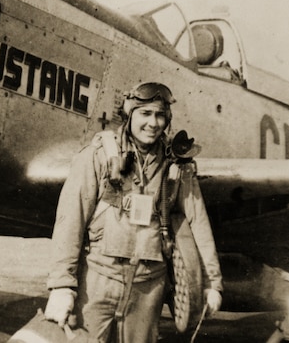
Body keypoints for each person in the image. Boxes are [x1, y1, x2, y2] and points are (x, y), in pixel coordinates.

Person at [44, 82, 222, 342]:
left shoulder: (177, 165)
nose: (153, 123)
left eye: (160, 115)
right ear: (129, 115)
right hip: (98, 281)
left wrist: (212, 283)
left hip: (148, 289)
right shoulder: (99, 155)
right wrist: (62, 285)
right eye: (145, 114)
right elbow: (71, 220)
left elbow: (198, 223)